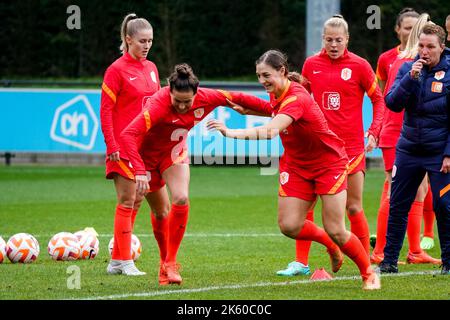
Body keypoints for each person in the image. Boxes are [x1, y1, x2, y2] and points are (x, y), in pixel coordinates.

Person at [207, 49, 381, 290]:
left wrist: (229, 132)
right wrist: (250, 109)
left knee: (336, 229)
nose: (262, 81)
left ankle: (369, 273)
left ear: (282, 71)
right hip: (297, 166)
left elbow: (270, 130)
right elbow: (272, 109)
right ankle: (330, 247)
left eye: (266, 75)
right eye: (258, 76)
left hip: (327, 164)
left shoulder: (296, 97)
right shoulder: (278, 93)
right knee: (289, 225)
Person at [119, 63, 275, 285]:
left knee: (181, 198)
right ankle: (164, 262)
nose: (182, 107)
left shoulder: (207, 97)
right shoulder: (157, 105)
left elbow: (239, 97)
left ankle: (171, 263)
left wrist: (277, 110)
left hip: (174, 154)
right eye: (177, 101)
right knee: (161, 212)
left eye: (187, 102)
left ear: (196, 93)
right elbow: (128, 135)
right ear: (169, 92)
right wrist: (140, 170)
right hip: (148, 159)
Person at [276, 14, 385, 277]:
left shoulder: (359, 65)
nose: (333, 44)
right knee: (306, 206)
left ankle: (366, 260)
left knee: (354, 206)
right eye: (328, 40)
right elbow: (299, 98)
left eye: (338, 40)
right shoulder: (311, 64)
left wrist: (373, 131)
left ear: (347, 39)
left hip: (350, 149)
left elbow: (378, 100)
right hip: (318, 149)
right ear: (322, 39)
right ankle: (301, 263)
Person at [380, 24, 450, 275]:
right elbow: (392, 104)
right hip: (408, 149)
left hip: (439, 152)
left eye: (430, 46)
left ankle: (448, 262)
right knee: (398, 203)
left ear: (442, 47)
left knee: (444, 205)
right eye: (421, 45)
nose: (424, 51)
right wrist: (410, 80)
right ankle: (388, 263)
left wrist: (448, 153)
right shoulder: (409, 68)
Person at [100, 13, 160, 276]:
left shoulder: (152, 68)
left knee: (137, 200)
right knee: (127, 199)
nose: (147, 46)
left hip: (144, 148)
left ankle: (116, 260)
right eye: (142, 41)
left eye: (150, 41)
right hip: (122, 146)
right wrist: (111, 143)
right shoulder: (116, 70)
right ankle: (125, 261)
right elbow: (105, 110)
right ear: (128, 40)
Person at [376, 8, 420, 94]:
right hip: (391, 107)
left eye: (416, 29)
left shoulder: (427, 56)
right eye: (408, 28)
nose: (412, 33)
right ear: (397, 29)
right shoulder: (384, 58)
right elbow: (381, 94)